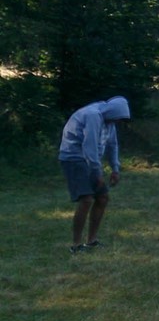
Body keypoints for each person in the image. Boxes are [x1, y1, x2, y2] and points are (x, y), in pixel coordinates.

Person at [58, 96, 131, 253]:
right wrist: (97, 173)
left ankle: (91, 241)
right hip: (74, 158)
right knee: (86, 199)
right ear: (112, 112)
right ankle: (76, 245)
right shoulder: (93, 115)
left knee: (103, 198)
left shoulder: (109, 122)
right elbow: (89, 145)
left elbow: (112, 145)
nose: (117, 122)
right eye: (117, 118)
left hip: (90, 161)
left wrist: (115, 169)